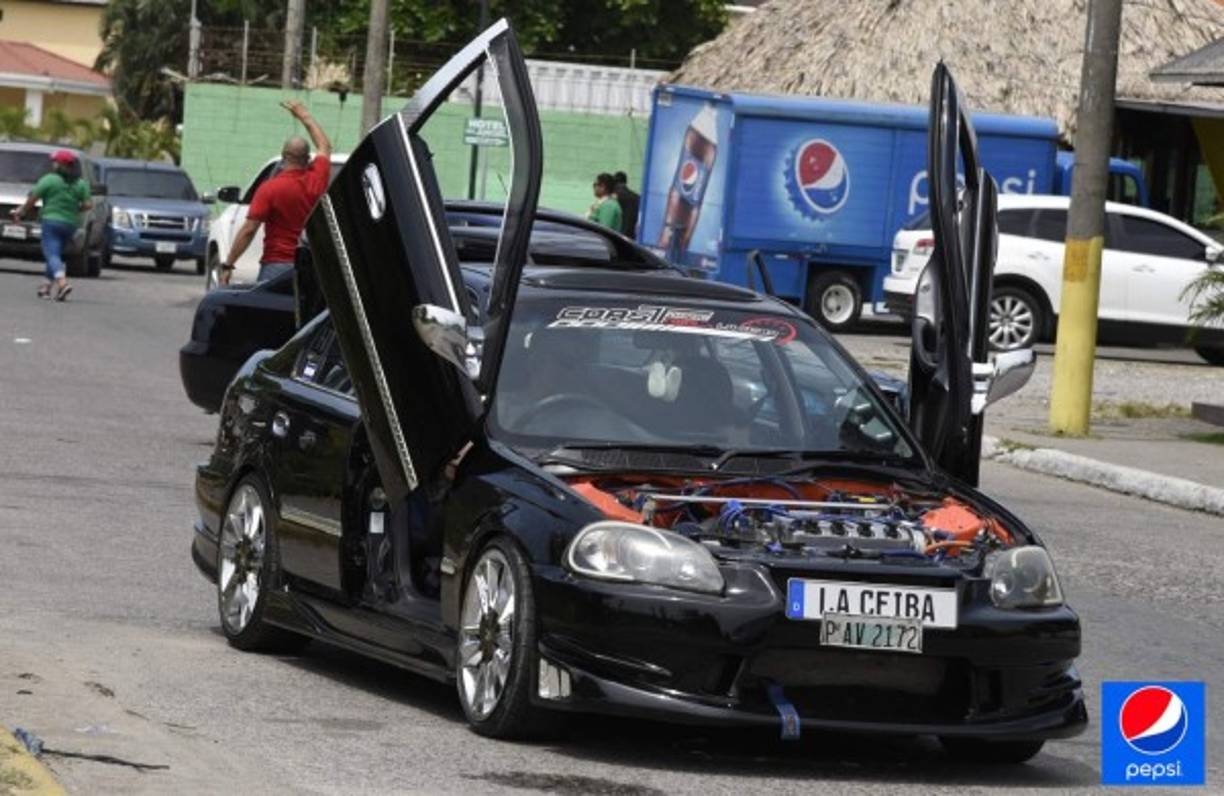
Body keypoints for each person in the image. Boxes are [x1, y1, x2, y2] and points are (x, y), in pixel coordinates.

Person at [221, 99, 333, 283]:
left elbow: (249, 229)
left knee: (269, 311)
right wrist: (304, 115)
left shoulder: (270, 189)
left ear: (283, 156)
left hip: (277, 266)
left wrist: (229, 264)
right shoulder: (317, 179)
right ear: (307, 158)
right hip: (311, 267)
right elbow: (324, 146)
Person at [10, 149, 91, 301]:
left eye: (55, 162)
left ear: (61, 164)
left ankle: (62, 283)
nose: (53, 164)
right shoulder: (81, 184)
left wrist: (21, 211)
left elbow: (33, 198)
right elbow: (88, 205)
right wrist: (74, 209)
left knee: (51, 254)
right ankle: (46, 288)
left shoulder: (49, 180)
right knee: (56, 255)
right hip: (70, 224)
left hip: (51, 222)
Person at [612, 171, 640, 239]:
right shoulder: (637, 197)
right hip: (632, 235)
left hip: (617, 235)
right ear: (626, 182)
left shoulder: (614, 197)